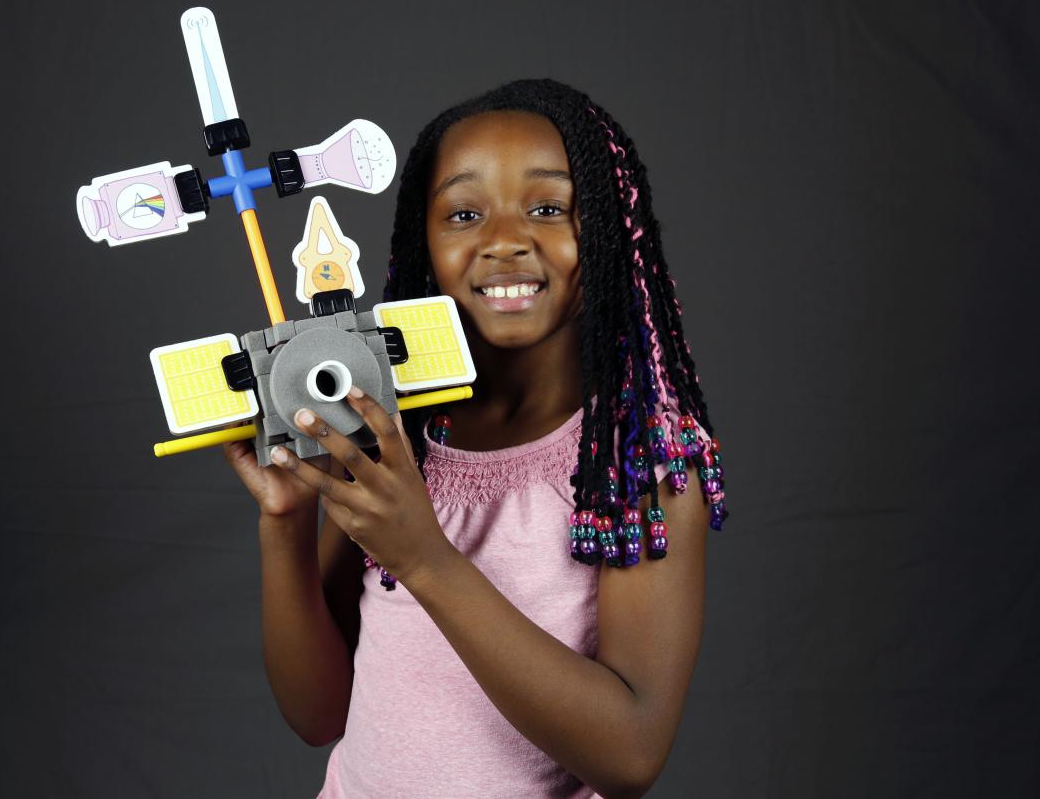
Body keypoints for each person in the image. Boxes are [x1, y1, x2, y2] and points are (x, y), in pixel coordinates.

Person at [222, 78, 729, 798]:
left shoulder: (637, 456)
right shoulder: (390, 429)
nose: (504, 240)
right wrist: (285, 522)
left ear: (610, 230)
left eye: (549, 208)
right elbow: (315, 714)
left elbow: (631, 754)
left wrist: (424, 559)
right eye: (463, 213)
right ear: (422, 242)